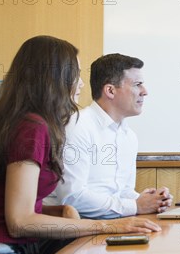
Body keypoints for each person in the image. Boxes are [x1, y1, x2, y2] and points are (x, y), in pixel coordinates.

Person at [0, 36, 161, 254]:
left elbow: (13, 203)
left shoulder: (19, 120)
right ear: (54, 78)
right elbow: (19, 221)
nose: (81, 84)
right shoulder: (32, 128)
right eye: (75, 74)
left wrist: (58, 209)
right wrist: (106, 227)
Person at [46, 54, 172, 219]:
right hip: (78, 229)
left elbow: (121, 192)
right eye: (137, 85)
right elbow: (72, 198)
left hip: (112, 224)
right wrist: (136, 205)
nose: (145, 92)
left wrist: (152, 200)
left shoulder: (129, 136)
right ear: (110, 90)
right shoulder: (77, 126)